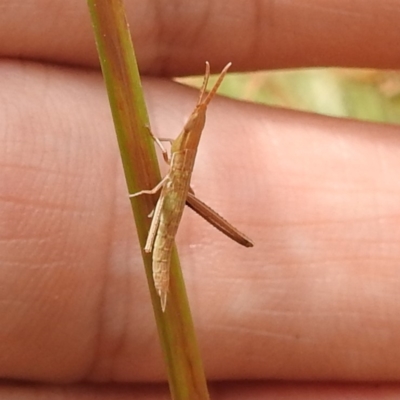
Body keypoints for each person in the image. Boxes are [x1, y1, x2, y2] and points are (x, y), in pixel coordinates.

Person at [1, 1, 400, 398]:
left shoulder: (186, 147)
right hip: (172, 195)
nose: (193, 119)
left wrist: (164, 162)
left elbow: (169, 165)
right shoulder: (184, 146)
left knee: (153, 243)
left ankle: (164, 278)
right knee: (156, 232)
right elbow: (173, 150)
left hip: (169, 202)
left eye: (194, 119)